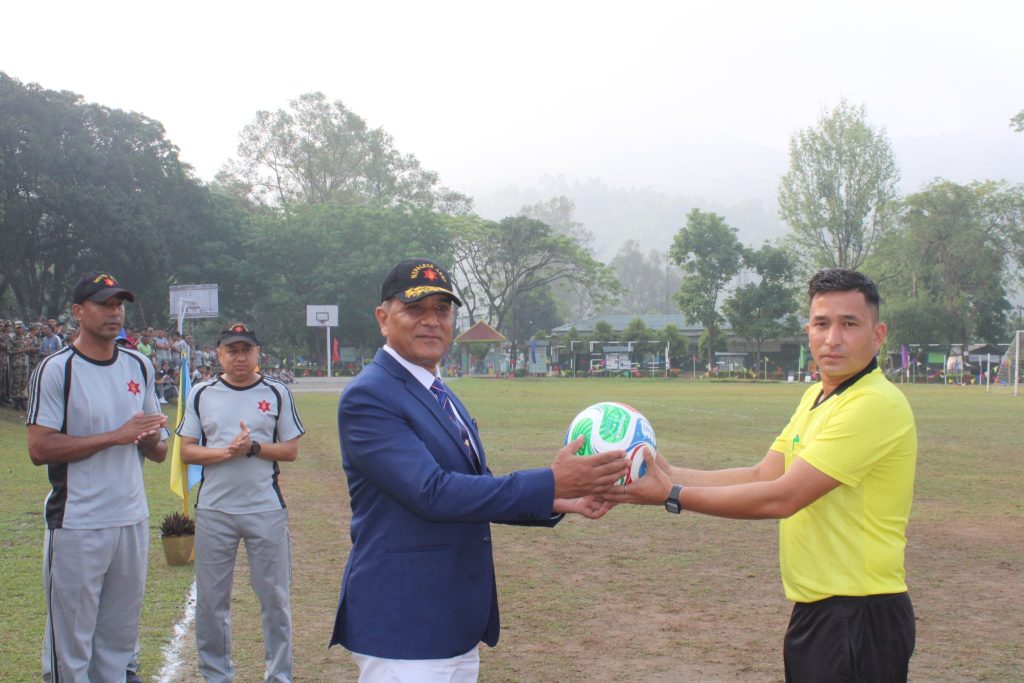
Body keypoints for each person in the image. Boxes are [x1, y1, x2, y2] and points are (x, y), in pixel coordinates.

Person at [605, 268, 918, 683]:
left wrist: (672, 494)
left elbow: (782, 497)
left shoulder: (874, 403)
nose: (832, 338)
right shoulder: (818, 396)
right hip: (820, 611)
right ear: (808, 331)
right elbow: (763, 473)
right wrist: (669, 471)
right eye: (821, 324)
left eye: (849, 324)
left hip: (861, 615)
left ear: (877, 335)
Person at [330, 258, 628, 682]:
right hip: (405, 623)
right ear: (383, 318)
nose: (431, 321)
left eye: (442, 309)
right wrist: (551, 480)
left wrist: (564, 498)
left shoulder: (437, 390)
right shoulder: (370, 396)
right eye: (415, 309)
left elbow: (475, 487)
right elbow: (432, 493)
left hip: (452, 618)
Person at [26, 271, 168, 682]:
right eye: (103, 304)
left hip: (131, 518)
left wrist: (148, 440)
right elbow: (39, 448)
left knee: (118, 642)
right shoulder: (57, 369)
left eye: (118, 304)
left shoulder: (139, 364)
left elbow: (159, 451)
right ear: (77, 311)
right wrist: (115, 436)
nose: (114, 312)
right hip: (78, 522)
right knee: (70, 646)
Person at [177, 322, 305, 683]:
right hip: (215, 510)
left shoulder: (277, 392)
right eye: (232, 350)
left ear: (257, 354)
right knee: (211, 601)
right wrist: (225, 452)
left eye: (246, 350)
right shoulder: (201, 393)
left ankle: (279, 675)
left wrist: (253, 448)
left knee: (274, 600)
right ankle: (216, 675)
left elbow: (290, 450)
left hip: (265, 508)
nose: (240, 357)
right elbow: (186, 451)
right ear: (219, 354)